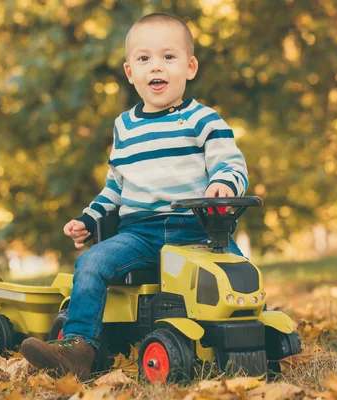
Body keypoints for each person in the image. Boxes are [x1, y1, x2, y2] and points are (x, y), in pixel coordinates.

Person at [20, 12, 248, 380]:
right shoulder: (124, 127)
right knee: (91, 264)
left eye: (167, 57)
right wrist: (88, 219)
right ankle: (78, 346)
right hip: (138, 234)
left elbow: (232, 164)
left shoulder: (204, 120)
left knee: (237, 279)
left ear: (190, 67)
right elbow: (115, 186)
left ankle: (256, 332)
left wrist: (222, 183)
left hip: (198, 230)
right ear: (130, 72)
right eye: (144, 59)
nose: (155, 67)